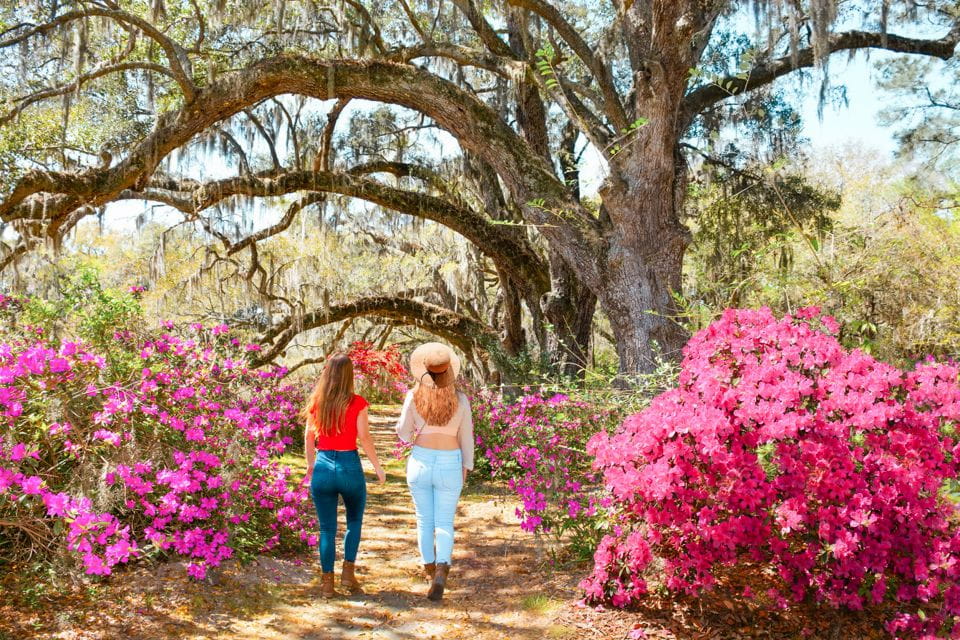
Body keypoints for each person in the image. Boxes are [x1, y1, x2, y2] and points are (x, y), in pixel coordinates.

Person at [302, 353, 386, 598]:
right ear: (350, 375)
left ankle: (327, 584)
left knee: (327, 528)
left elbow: (309, 436)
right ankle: (348, 574)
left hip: (324, 464)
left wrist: (310, 465)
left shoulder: (317, 402)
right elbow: (365, 437)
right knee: (354, 522)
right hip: (349, 464)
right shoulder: (357, 402)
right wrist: (378, 467)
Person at [396, 342, 474, 601]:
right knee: (444, 521)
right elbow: (467, 436)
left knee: (423, 520)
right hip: (450, 460)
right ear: (449, 371)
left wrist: (413, 434)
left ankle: (430, 571)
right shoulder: (460, 399)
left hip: (420, 461)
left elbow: (403, 432)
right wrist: (467, 465)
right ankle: (442, 569)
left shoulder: (414, 396)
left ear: (425, 371)